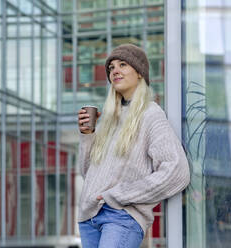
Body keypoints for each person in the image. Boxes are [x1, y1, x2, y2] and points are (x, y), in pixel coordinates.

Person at [77, 44, 190, 248]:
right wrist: (88, 136)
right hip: (89, 218)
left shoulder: (151, 114)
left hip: (121, 217)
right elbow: (88, 173)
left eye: (122, 65)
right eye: (111, 68)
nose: (115, 71)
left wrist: (121, 194)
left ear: (139, 73)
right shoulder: (110, 118)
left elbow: (177, 171)